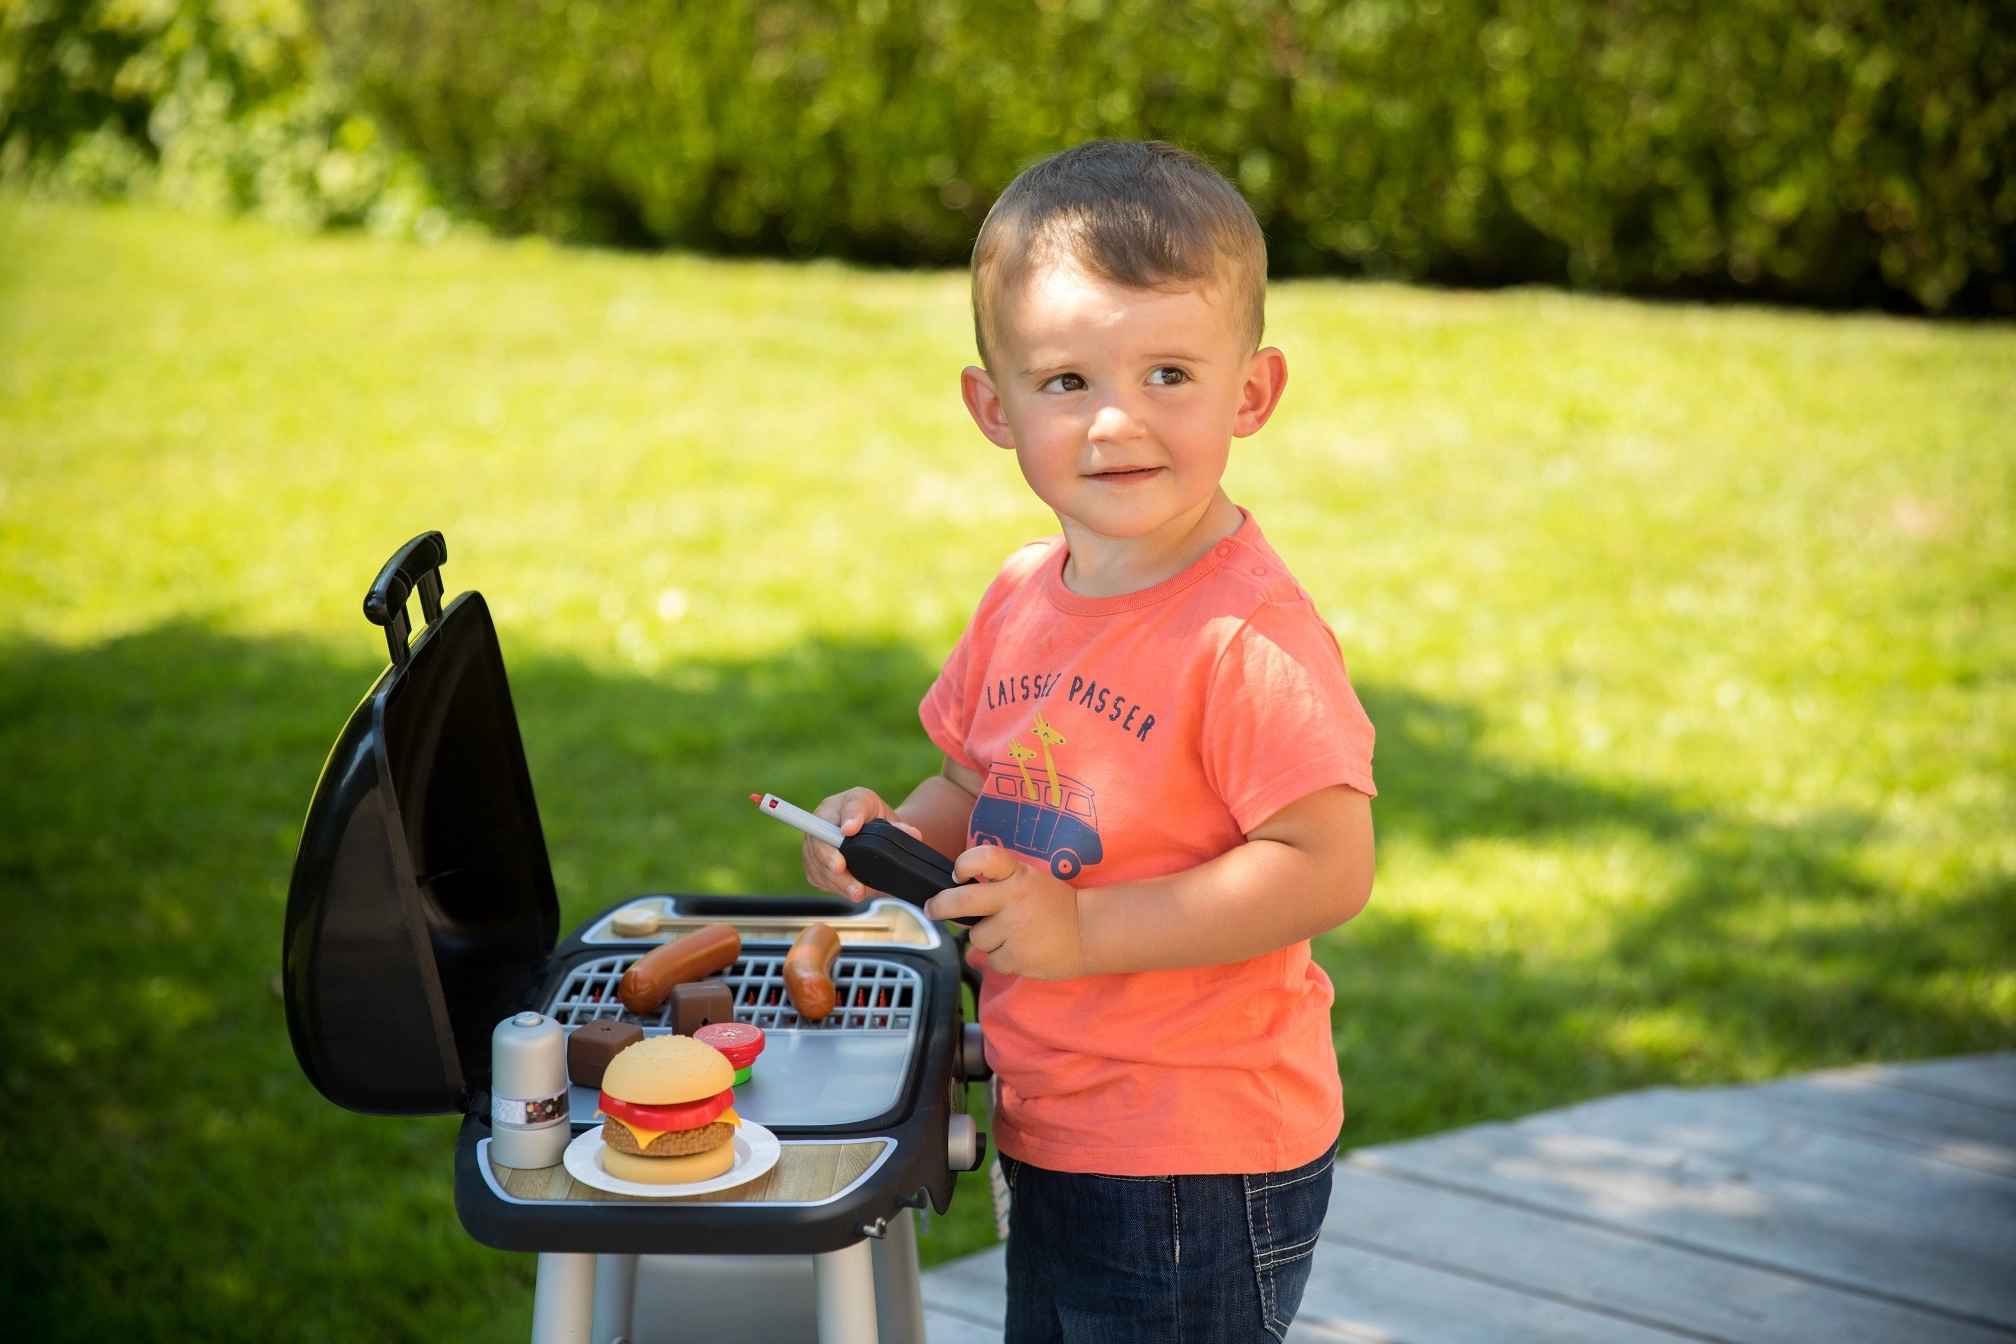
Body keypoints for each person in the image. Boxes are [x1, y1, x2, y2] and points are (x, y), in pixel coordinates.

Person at [799, 139, 1377, 1343]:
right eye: (1066, 381)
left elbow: (1326, 866)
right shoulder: (1023, 594)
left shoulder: (1245, 638)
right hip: (1054, 1115)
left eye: (1169, 373)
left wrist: (1085, 932)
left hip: (1195, 1154)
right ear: (993, 408)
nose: (1117, 421)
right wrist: (891, 837)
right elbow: (971, 782)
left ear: (1252, 394)